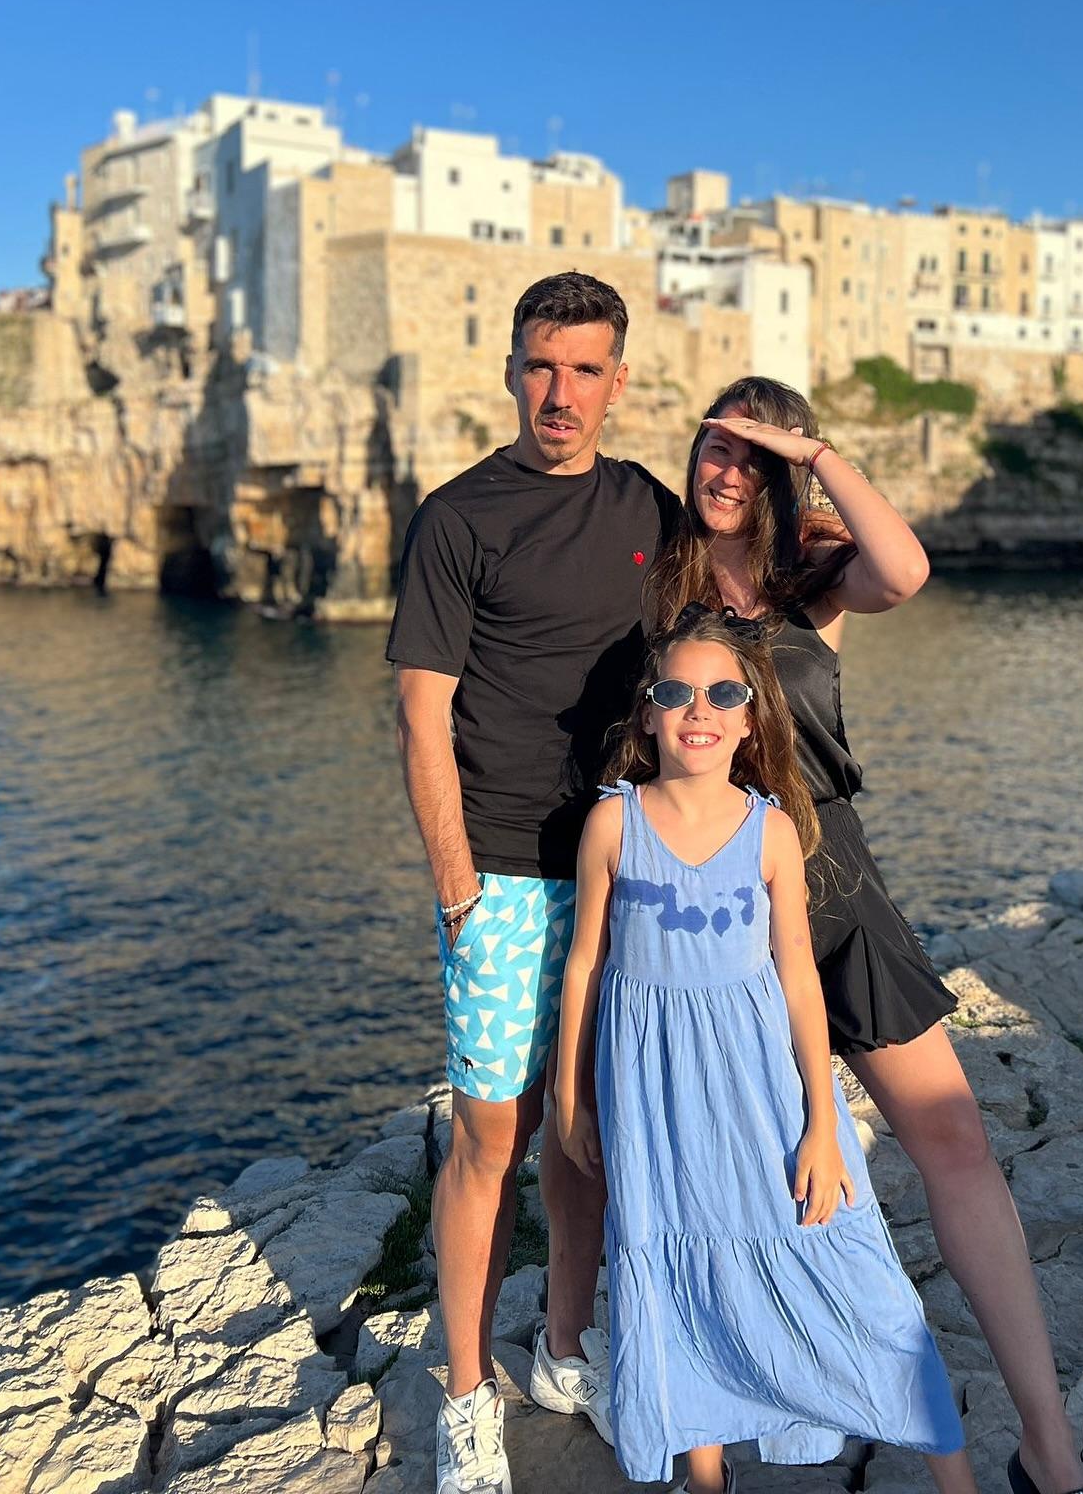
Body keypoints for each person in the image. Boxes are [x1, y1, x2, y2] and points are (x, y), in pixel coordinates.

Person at [647, 377, 1083, 1494]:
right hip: (712, 903)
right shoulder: (655, 570)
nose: (726, 471)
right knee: (723, 1177)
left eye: (753, 457)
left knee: (954, 1141)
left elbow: (906, 570)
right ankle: (717, 1441)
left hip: (835, 887)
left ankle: (1049, 1449)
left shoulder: (812, 573)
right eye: (714, 447)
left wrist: (816, 453)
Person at [555, 604, 976, 1494]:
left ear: (750, 720)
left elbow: (798, 982)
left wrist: (824, 1122)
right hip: (652, 1101)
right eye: (675, 693)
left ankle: (956, 1475)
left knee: (847, 1266)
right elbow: (585, 963)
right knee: (675, 1265)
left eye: (723, 695)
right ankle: (706, 1476)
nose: (698, 711)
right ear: (647, 715)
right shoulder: (613, 825)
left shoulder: (772, 830)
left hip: (759, 1093)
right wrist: (570, 1096)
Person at [388, 272, 676, 1494]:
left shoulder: (651, 507)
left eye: (585, 369)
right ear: (512, 371)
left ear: (618, 381)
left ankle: (562, 1352)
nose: (561, 392)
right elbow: (422, 717)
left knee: (587, 1128)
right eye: (542, 366)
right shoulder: (458, 518)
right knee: (490, 1139)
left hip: (622, 866)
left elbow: (747, 610)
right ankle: (464, 1398)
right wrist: (458, 893)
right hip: (502, 877)